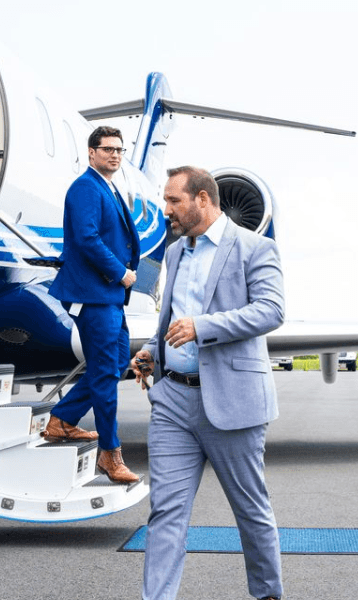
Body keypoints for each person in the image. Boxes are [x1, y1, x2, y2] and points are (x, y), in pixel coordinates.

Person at [131, 165, 285, 600]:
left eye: (173, 201)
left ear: (202, 199)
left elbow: (271, 311)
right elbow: (172, 317)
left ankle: (266, 594)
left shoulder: (256, 248)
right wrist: (152, 350)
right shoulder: (177, 252)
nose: (166, 210)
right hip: (173, 401)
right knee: (165, 513)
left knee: (250, 511)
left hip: (231, 401)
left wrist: (204, 326)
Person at [43, 125, 140, 484]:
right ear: (91, 152)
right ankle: (111, 457)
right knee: (104, 374)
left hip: (108, 296)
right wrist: (120, 273)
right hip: (94, 294)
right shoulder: (85, 187)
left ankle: (62, 419)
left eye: (119, 149)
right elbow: (86, 237)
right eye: (107, 149)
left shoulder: (108, 187)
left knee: (115, 362)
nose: (114, 154)